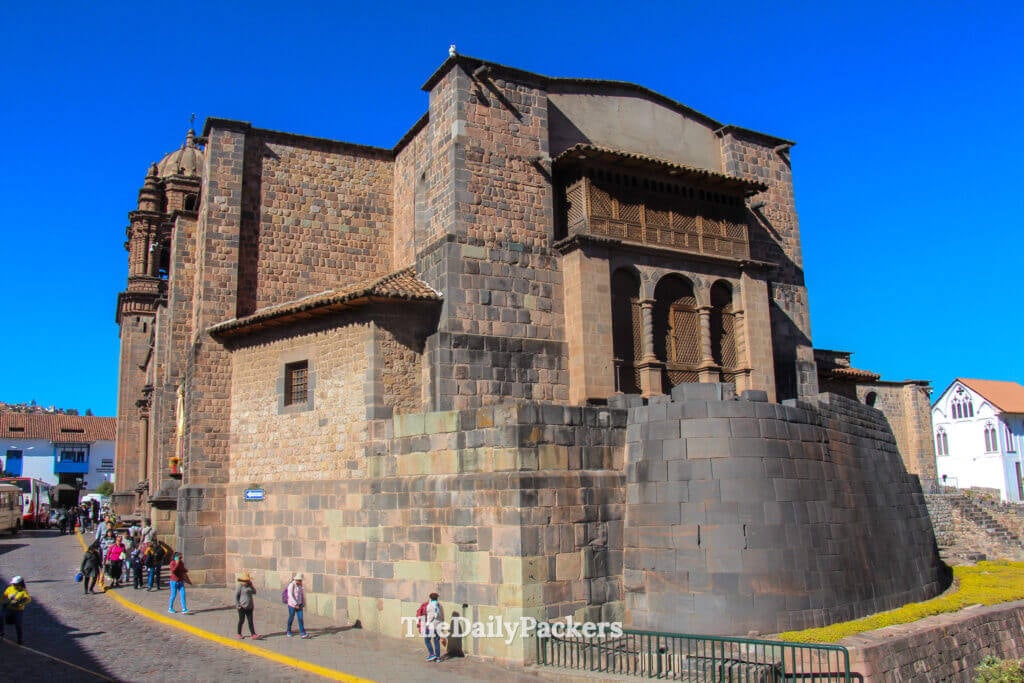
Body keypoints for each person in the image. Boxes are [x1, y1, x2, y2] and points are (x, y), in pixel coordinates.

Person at [1, 576, 32, 645]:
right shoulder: (9, 589)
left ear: (20, 584)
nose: (13, 585)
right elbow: (4, 596)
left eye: (15, 584)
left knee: (18, 625)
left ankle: (20, 639)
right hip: (8, 608)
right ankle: (1, 631)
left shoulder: (23, 592)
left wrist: (20, 602)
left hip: (18, 611)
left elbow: (28, 599)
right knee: (1, 617)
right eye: (13, 584)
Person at [234, 572, 262, 640]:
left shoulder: (249, 585)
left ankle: (253, 634)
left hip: (250, 606)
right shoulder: (240, 586)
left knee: (250, 621)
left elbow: (254, 592)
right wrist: (238, 605)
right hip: (242, 607)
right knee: (241, 620)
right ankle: (239, 633)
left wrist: (251, 586)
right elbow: (236, 596)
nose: (246, 582)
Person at [284, 573, 310, 638]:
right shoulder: (291, 585)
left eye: (301, 580)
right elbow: (290, 595)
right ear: (296, 580)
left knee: (300, 618)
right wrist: (295, 604)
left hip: (299, 604)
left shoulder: (300, 586)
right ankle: (288, 631)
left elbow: (301, 595)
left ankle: (302, 633)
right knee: (291, 617)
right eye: (300, 580)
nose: (301, 581)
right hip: (292, 605)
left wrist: (303, 603)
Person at [422, 592, 444, 662]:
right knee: (436, 641)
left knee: (427, 640)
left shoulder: (430, 605)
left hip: (431, 625)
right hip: (438, 625)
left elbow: (431, 616)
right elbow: (443, 616)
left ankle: (432, 654)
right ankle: (438, 658)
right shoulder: (440, 605)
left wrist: (427, 624)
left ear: (430, 598)